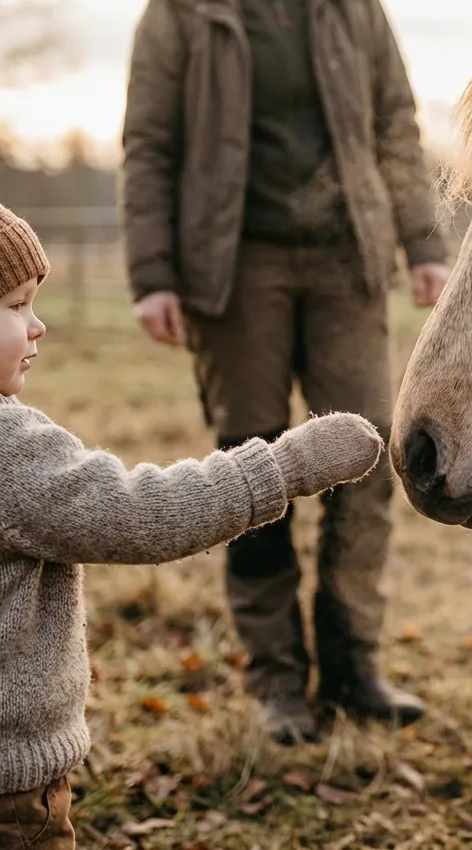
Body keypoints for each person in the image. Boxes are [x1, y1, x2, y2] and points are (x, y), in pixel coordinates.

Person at [119, 0, 450, 743]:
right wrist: (154, 274)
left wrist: (423, 241)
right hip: (235, 271)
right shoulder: (181, 1)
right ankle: (277, 683)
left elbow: (394, 120)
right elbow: (147, 144)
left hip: (348, 260)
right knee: (254, 468)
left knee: (365, 460)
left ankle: (355, 665)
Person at [0, 203, 384, 849]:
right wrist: (282, 467)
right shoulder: (10, 450)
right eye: (14, 306)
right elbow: (137, 515)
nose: (38, 326)